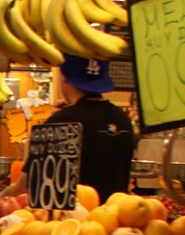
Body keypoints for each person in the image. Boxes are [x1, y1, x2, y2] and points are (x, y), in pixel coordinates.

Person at [43, 55, 135, 198]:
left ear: (65, 77)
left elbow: (34, 180)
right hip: (118, 210)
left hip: (76, 211)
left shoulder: (62, 120)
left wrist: (48, 127)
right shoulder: (123, 120)